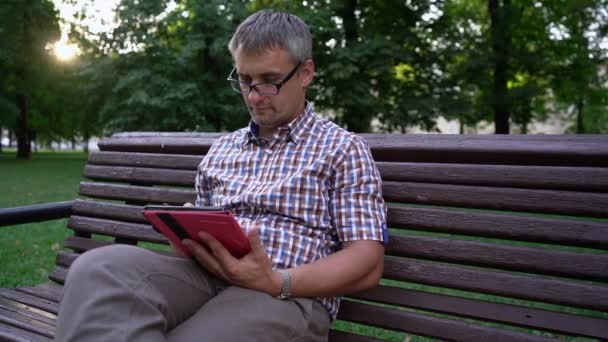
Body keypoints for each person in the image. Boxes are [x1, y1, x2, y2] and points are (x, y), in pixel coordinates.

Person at [54, 9, 387, 342]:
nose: (254, 96)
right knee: (99, 269)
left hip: (285, 295)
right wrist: (189, 239)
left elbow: (366, 261)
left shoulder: (343, 149)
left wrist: (276, 280)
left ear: (305, 73)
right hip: (206, 277)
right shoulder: (223, 149)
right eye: (244, 81)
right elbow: (197, 236)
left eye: (269, 82)